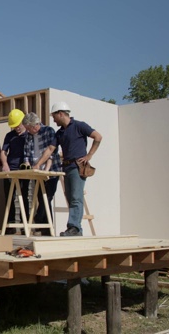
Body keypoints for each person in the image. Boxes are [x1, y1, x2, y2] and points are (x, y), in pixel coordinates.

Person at [50, 101, 102, 237]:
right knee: (70, 197)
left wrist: (89, 155)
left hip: (77, 167)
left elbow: (98, 136)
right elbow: (51, 149)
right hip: (66, 167)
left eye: (54, 116)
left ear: (61, 114)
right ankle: (76, 229)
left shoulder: (79, 126)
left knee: (76, 197)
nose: (53, 120)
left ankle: (74, 228)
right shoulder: (60, 133)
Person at [22, 112, 62, 235]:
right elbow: (27, 152)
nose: (28, 131)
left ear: (34, 126)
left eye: (28, 128)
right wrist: (27, 164)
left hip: (51, 170)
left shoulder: (48, 131)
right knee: (41, 198)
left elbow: (52, 152)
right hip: (36, 171)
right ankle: (46, 229)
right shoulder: (29, 135)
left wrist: (46, 169)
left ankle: (39, 220)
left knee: (47, 197)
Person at [0, 109, 30, 234]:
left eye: (18, 125)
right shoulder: (9, 136)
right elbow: (3, 152)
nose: (17, 128)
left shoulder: (29, 134)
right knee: (9, 197)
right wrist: (5, 164)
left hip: (24, 170)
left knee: (23, 197)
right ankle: (10, 225)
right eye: (14, 126)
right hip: (10, 170)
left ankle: (25, 225)